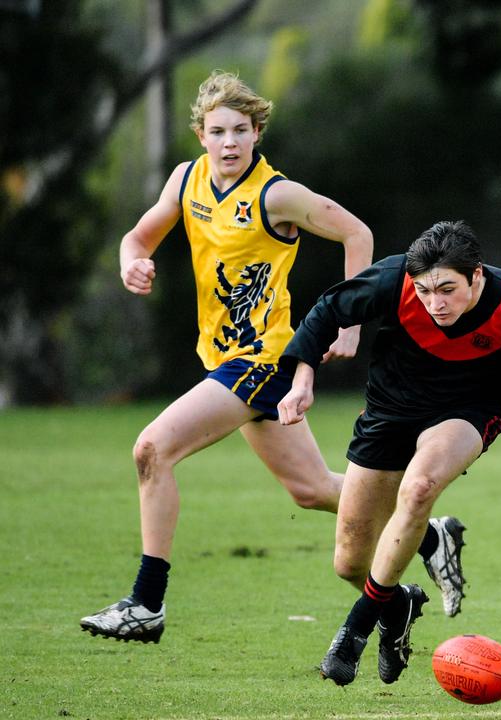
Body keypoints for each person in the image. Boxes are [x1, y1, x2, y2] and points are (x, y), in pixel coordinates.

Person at [79, 70, 392, 644]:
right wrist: (131, 261)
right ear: (200, 134)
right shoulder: (186, 180)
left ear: (256, 134)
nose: (230, 142)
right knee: (314, 490)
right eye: (218, 131)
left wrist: (349, 318)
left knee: (152, 449)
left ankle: (146, 605)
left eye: (241, 131)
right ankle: (428, 530)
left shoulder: (278, 195)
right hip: (222, 358)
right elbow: (138, 237)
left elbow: (358, 234)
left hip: (264, 358)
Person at [277, 220, 501, 686]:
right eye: (426, 291)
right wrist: (303, 381)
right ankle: (399, 608)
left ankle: (356, 628)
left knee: (419, 487)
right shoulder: (394, 280)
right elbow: (328, 309)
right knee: (350, 562)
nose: (436, 304)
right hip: (389, 410)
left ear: (477, 276)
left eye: (448, 290)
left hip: (466, 412)